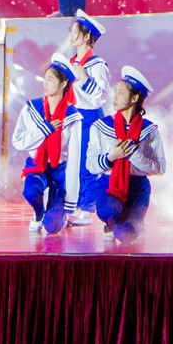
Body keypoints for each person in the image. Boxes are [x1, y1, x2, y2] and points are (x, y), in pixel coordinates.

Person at [88, 67, 166, 242]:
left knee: (126, 235)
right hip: (108, 184)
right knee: (108, 210)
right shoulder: (101, 126)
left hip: (138, 187)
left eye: (121, 93)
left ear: (135, 98)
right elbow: (91, 165)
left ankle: (129, 222)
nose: (115, 97)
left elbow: (160, 167)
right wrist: (111, 157)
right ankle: (111, 221)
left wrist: (133, 154)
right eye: (115, 92)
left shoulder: (149, 130)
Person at [12, 55, 84, 235]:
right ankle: (38, 214)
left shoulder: (73, 116)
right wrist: (44, 129)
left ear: (63, 84)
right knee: (31, 192)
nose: (45, 83)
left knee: (52, 227)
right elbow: (18, 141)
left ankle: (58, 213)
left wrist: (70, 201)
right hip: (37, 164)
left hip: (60, 170)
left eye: (50, 79)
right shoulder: (31, 108)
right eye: (45, 78)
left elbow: (74, 158)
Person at [63, 11, 113, 222]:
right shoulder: (71, 62)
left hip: (89, 117)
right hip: (72, 116)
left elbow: (100, 97)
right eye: (72, 31)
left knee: (86, 163)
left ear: (86, 37)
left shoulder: (96, 64)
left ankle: (88, 208)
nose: (72, 36)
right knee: (72, 163)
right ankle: (75, 205)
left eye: (76, 32)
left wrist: (84, 78)